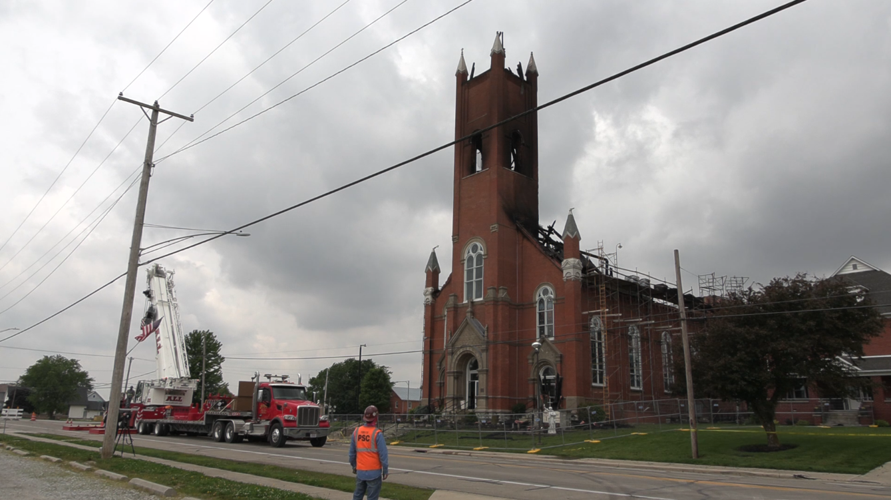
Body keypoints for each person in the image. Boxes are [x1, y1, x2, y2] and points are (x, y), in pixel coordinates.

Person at [349, 405, 388, 500]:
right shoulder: (377, 433)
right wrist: (385, 470)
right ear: (376, 417)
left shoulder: (356, 432)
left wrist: (354, 466)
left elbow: (351, 454)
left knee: (357, 495)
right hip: (374, 473)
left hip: (360, 471)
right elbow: (383, 455)